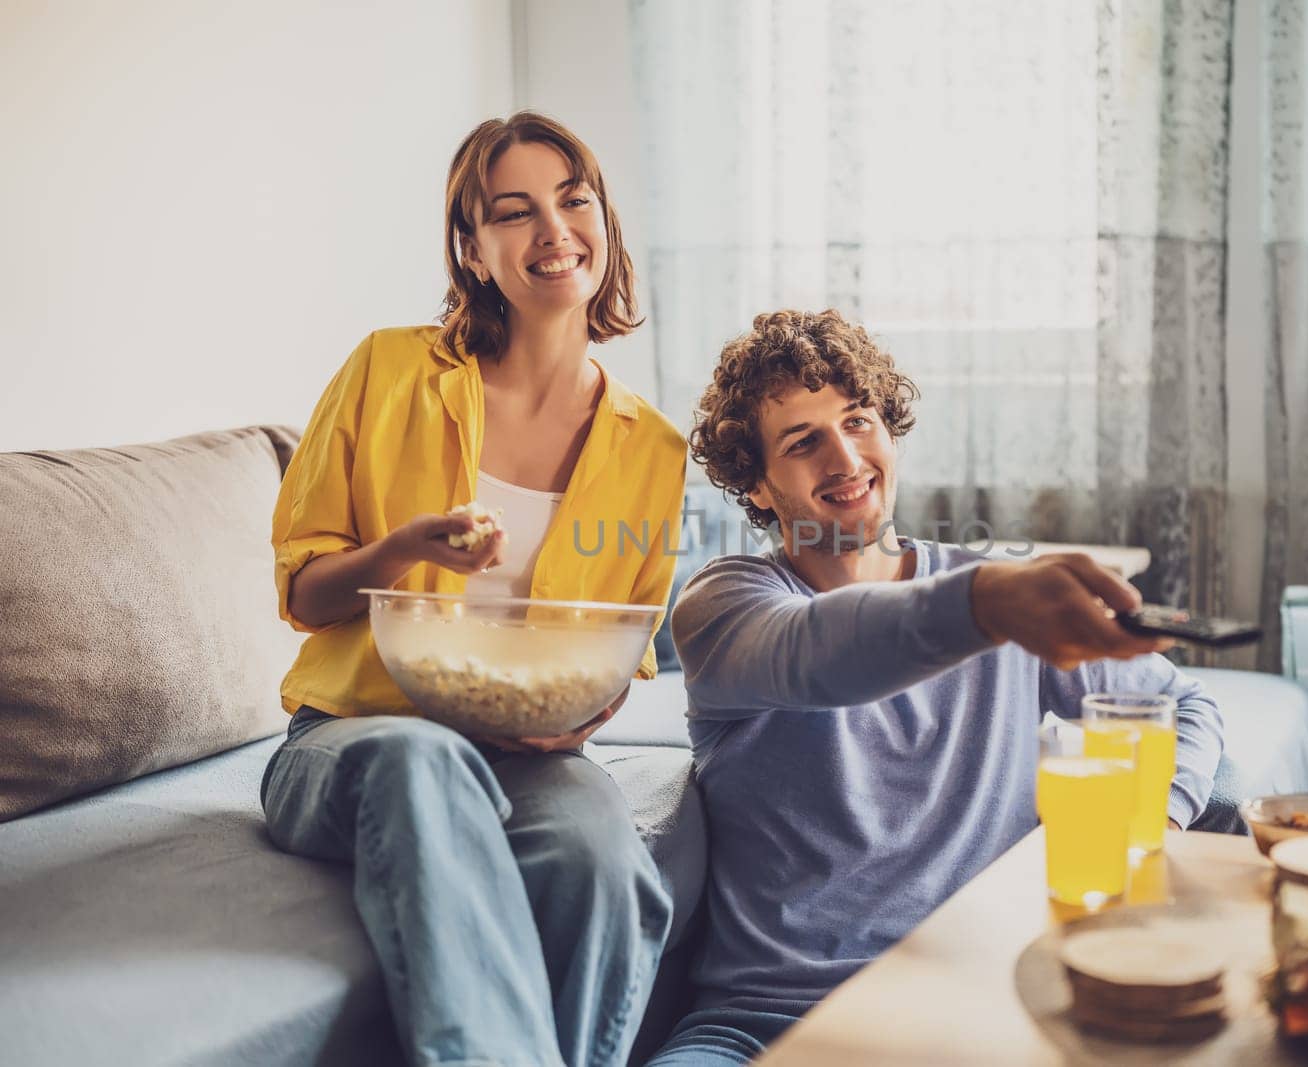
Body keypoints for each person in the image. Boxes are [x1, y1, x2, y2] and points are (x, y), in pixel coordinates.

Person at [647, 309, 1225, 1065]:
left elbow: (1182, 703)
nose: (845, 456)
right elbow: (824, 654)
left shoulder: (999, 594)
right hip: (767, 1022)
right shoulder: (723, 607)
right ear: (756, 486)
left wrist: (1157, 823)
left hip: (976, 1007)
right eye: (803, 441)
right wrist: (986, 605)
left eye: (859, 421)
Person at [263, 112, 686, 1067]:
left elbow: (621, 646)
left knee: (602, 855)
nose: (554, 230)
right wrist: (397, 552)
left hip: (524, 756)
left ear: (604, 221)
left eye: (573, 200)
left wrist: (576, 721)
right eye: (514, 211)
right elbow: (302, 588)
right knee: (421, 762)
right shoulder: (388, 369)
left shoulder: (652, 448)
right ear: (472, 245)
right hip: (351, 736)